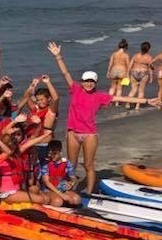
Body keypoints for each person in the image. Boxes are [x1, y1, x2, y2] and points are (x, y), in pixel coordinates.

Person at [47, 42, 159, 193]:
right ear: (82, 82)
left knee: (88, 165)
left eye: (92, 81)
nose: (89, 84)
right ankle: (68, 189)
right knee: (71, 164)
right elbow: (65, 73)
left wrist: (147, 100)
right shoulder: (75, 89)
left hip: (89, 134)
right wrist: (58, 56)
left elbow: (125, 98)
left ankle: (89, 192)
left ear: (95, 83)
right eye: (86, 81)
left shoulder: (100, 96)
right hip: (73, 133)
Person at [39, 140, 81, 207]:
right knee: (57, 201)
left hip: (62, 188)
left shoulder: (67, 163)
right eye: (49, 153)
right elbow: (46, 182)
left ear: (60, 153)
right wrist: (61, 195)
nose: (51, 156)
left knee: (77, 199)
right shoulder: (45, 164)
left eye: (54, 154)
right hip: (48, 190)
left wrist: (71, 184)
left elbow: (73, 178)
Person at [127, 41, 155, 110]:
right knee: (141, 91)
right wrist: (151, 78)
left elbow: (129, 66)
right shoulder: (149, 57)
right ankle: (137, 106)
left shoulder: (135, 55)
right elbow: (150, 69)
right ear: (148, 49)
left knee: (133, 90)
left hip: (134, 72)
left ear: (141, 48)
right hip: (144, 73)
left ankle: (127, 104)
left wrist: (127, 74)